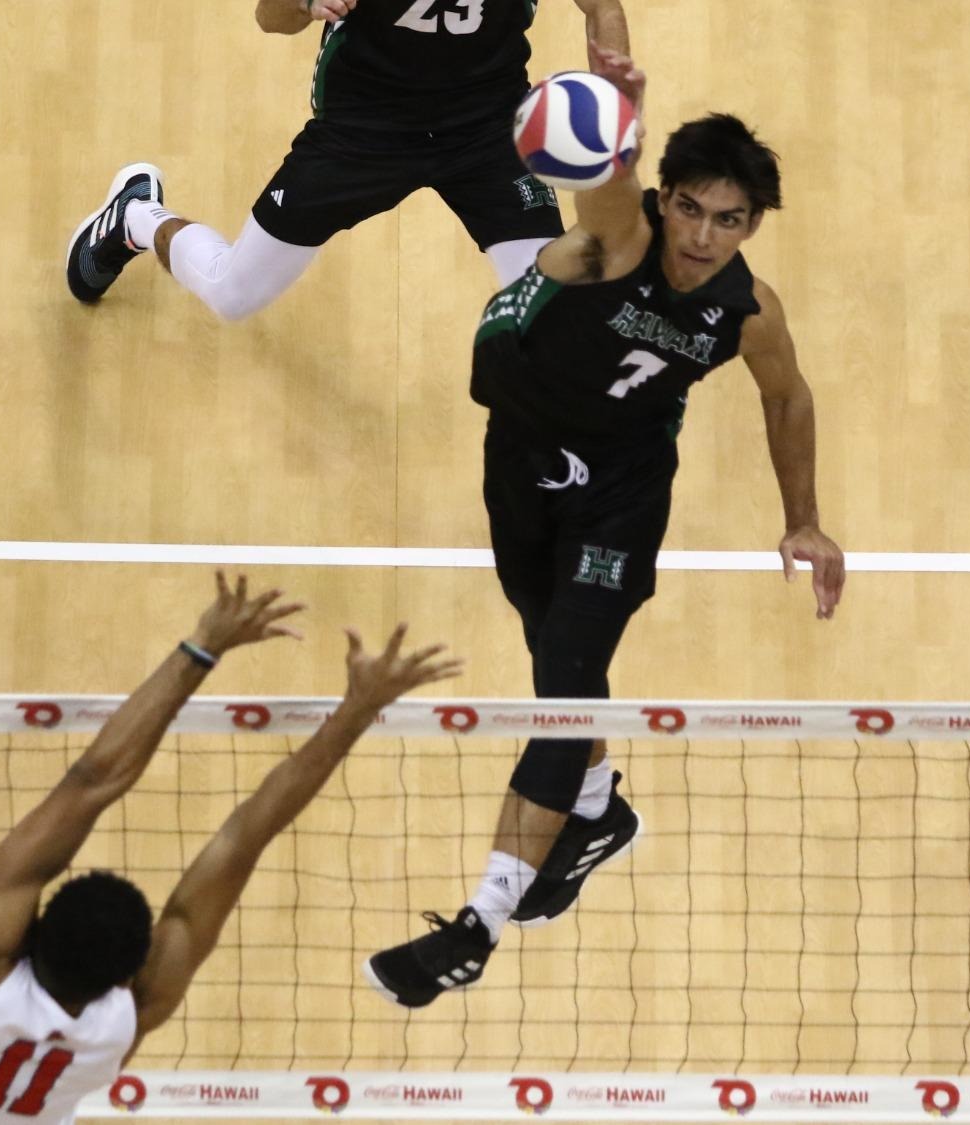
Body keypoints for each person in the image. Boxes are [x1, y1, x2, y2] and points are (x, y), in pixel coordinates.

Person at [362, 46, 847, 1008]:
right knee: (554, 660)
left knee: (568, 689)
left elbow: (788, 400)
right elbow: (601, 185)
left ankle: (474, 925)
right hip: (522, 459)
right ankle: (596, 809)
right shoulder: (617, 239)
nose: (708, 237)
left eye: (733, 220)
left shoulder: (747, 312)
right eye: (696, 209)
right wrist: (617, 115)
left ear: (753, 226)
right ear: (666, 199)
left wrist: (806, 522)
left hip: (621, 493)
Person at [0, 572, 460, 1123]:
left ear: (35, 925)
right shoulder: (127, 1019)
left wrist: (204, 645)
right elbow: (243, 838)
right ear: (129, 972)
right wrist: (357, 709)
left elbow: (93, 780)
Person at [65, 0, 630, 320]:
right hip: (365, 129)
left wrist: (615, 101)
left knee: (555, 321)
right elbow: (270, 16)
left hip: (488, 130)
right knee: (232, 295)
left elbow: (601, 5)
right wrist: (308, 4)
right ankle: (136, 218)